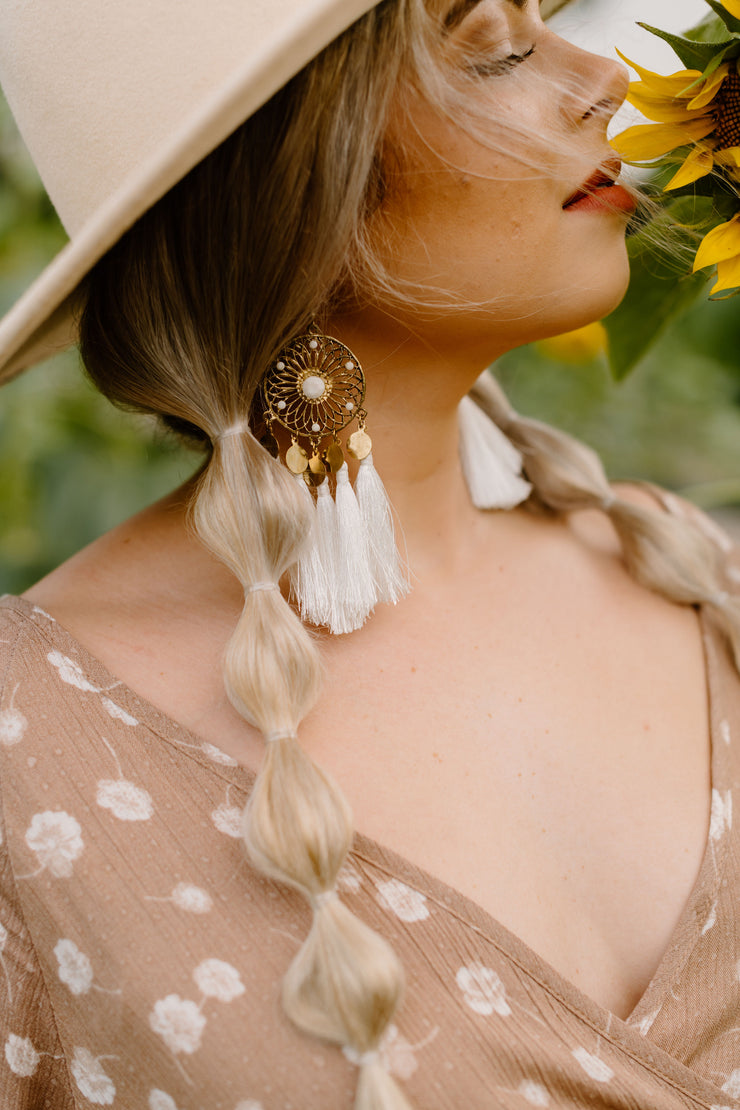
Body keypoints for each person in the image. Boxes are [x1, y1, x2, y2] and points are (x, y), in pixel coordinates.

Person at [0, 0, 739, 1107]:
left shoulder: (683, 572)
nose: (608, 81)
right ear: (290, 178)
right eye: (489, 49)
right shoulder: (29, 758)